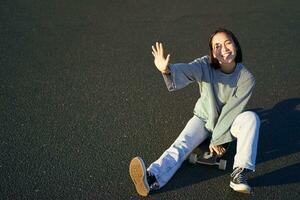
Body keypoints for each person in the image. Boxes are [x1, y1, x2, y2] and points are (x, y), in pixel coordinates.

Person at [129, 28, 260, 196]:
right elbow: (188, 70)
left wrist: (219, 140)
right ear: (212, 52)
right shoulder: (204, 65)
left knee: (251, 118)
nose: (224, 49)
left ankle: (239, 174)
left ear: (236, 46)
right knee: (181, 145)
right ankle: (151, 177)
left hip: (229, 123)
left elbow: (232, 110)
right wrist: (166, 70)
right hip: (203, 118)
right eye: (217, 46)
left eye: (228, 43)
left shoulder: (246, 78)